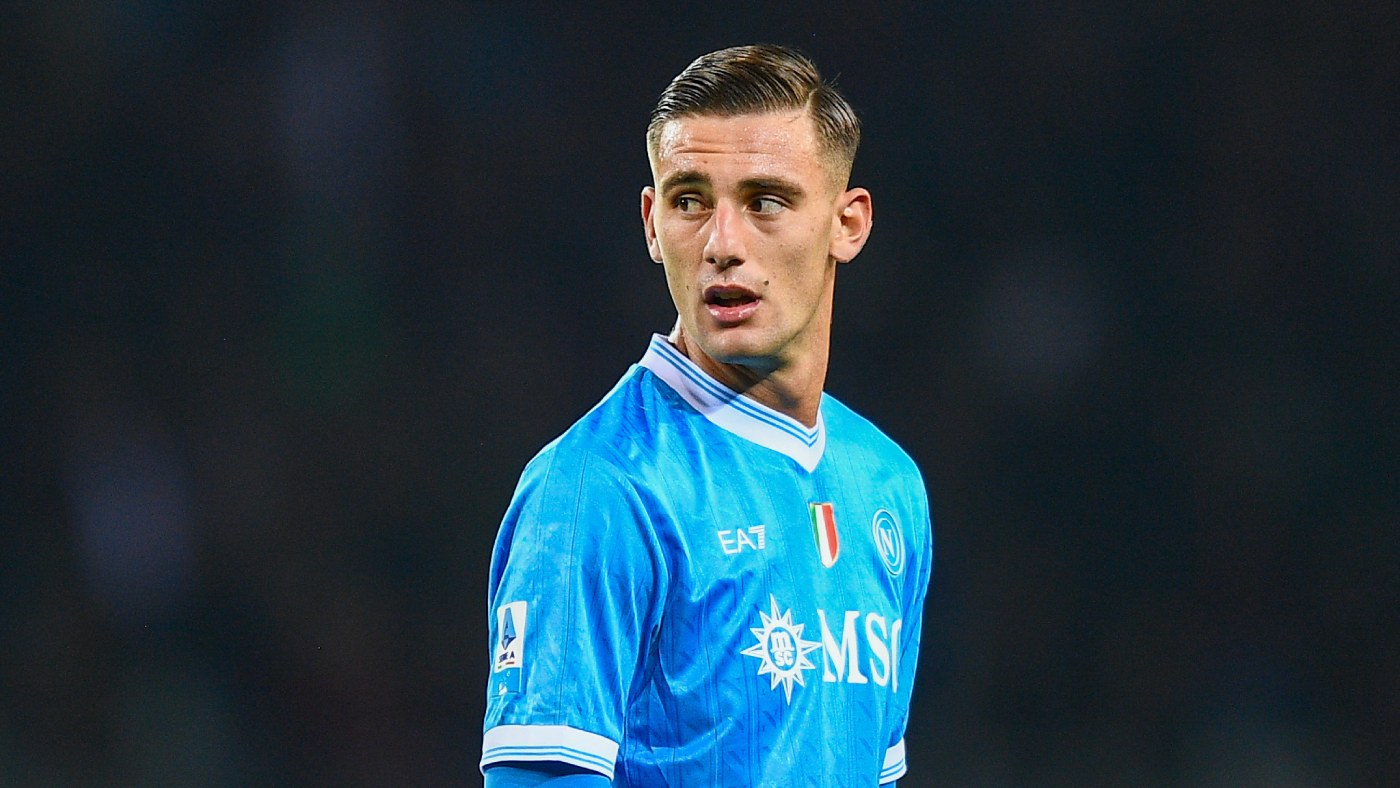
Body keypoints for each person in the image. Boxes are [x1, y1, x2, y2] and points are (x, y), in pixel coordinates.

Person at [480, 44, 933, 787]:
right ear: (652, 223)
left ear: (847, 224)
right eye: (690, 201)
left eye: (766, 202)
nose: (723, 244)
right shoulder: (597, 489)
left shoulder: (887, 484)